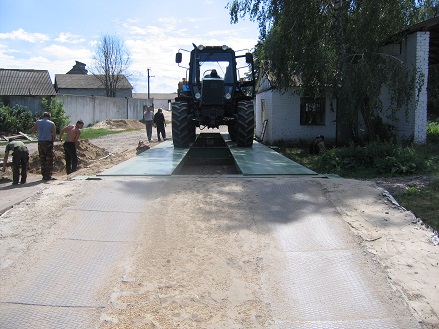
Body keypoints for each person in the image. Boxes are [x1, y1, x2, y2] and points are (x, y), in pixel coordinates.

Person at [31, 112, 56, 180]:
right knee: (49, 159)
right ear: (49, 116)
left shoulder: (38, 122)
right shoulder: (51, 123)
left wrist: (36, 124)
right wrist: (52, 142)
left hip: (40, 142)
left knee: (42, 159)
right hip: (48, 142)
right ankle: (48, 175)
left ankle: (44, 175)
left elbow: (33, 130)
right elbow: (54, 135)